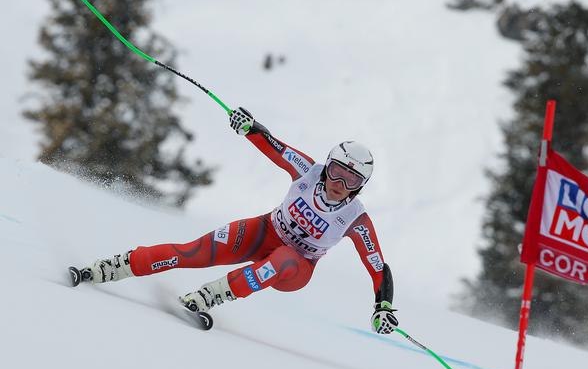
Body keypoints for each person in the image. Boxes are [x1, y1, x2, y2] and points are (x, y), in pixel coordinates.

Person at [75, 107, 399, 334]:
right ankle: (111, 267)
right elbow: (274, 146)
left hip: (295, 268)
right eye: (337, 172)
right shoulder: (308, 171)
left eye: (351, 181)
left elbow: (378, 266)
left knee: (284, 258)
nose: (338, 184)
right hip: (265, 231)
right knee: (193, 252)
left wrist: (382, 307)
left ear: (360, 187)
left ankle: (208, 296)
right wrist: (247, 126)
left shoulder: (355, 220)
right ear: (327, 166)